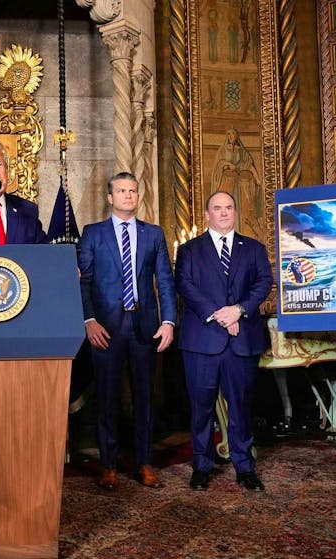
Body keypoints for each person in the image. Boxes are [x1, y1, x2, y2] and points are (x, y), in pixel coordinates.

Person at [78, 172, 176, 490]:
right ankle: (108, 466)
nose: (128, 195)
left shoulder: (153, 234)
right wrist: (89, 320)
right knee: (106, 398)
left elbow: (164, 280)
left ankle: (145, 463)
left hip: (144, 326)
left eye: (133, 190)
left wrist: (168, 321)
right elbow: (84, 281)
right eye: (121, 190)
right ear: (110, 197)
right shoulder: (93, 234)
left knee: (144, 398)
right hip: (105, 328)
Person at [175, 191, 272, 492]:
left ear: (235, 212)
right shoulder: (190, 250)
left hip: (242, 341)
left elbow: (264, 282)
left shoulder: (253, 248)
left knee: (241, 407)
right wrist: (219, 315)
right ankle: (202, 466)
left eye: (229, 207)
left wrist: (239, 311)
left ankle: (244, 467)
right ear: (207, 214)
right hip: (202, 342)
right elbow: (185, 285)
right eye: (217, 208)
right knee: (201, 408)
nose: (224, 213)